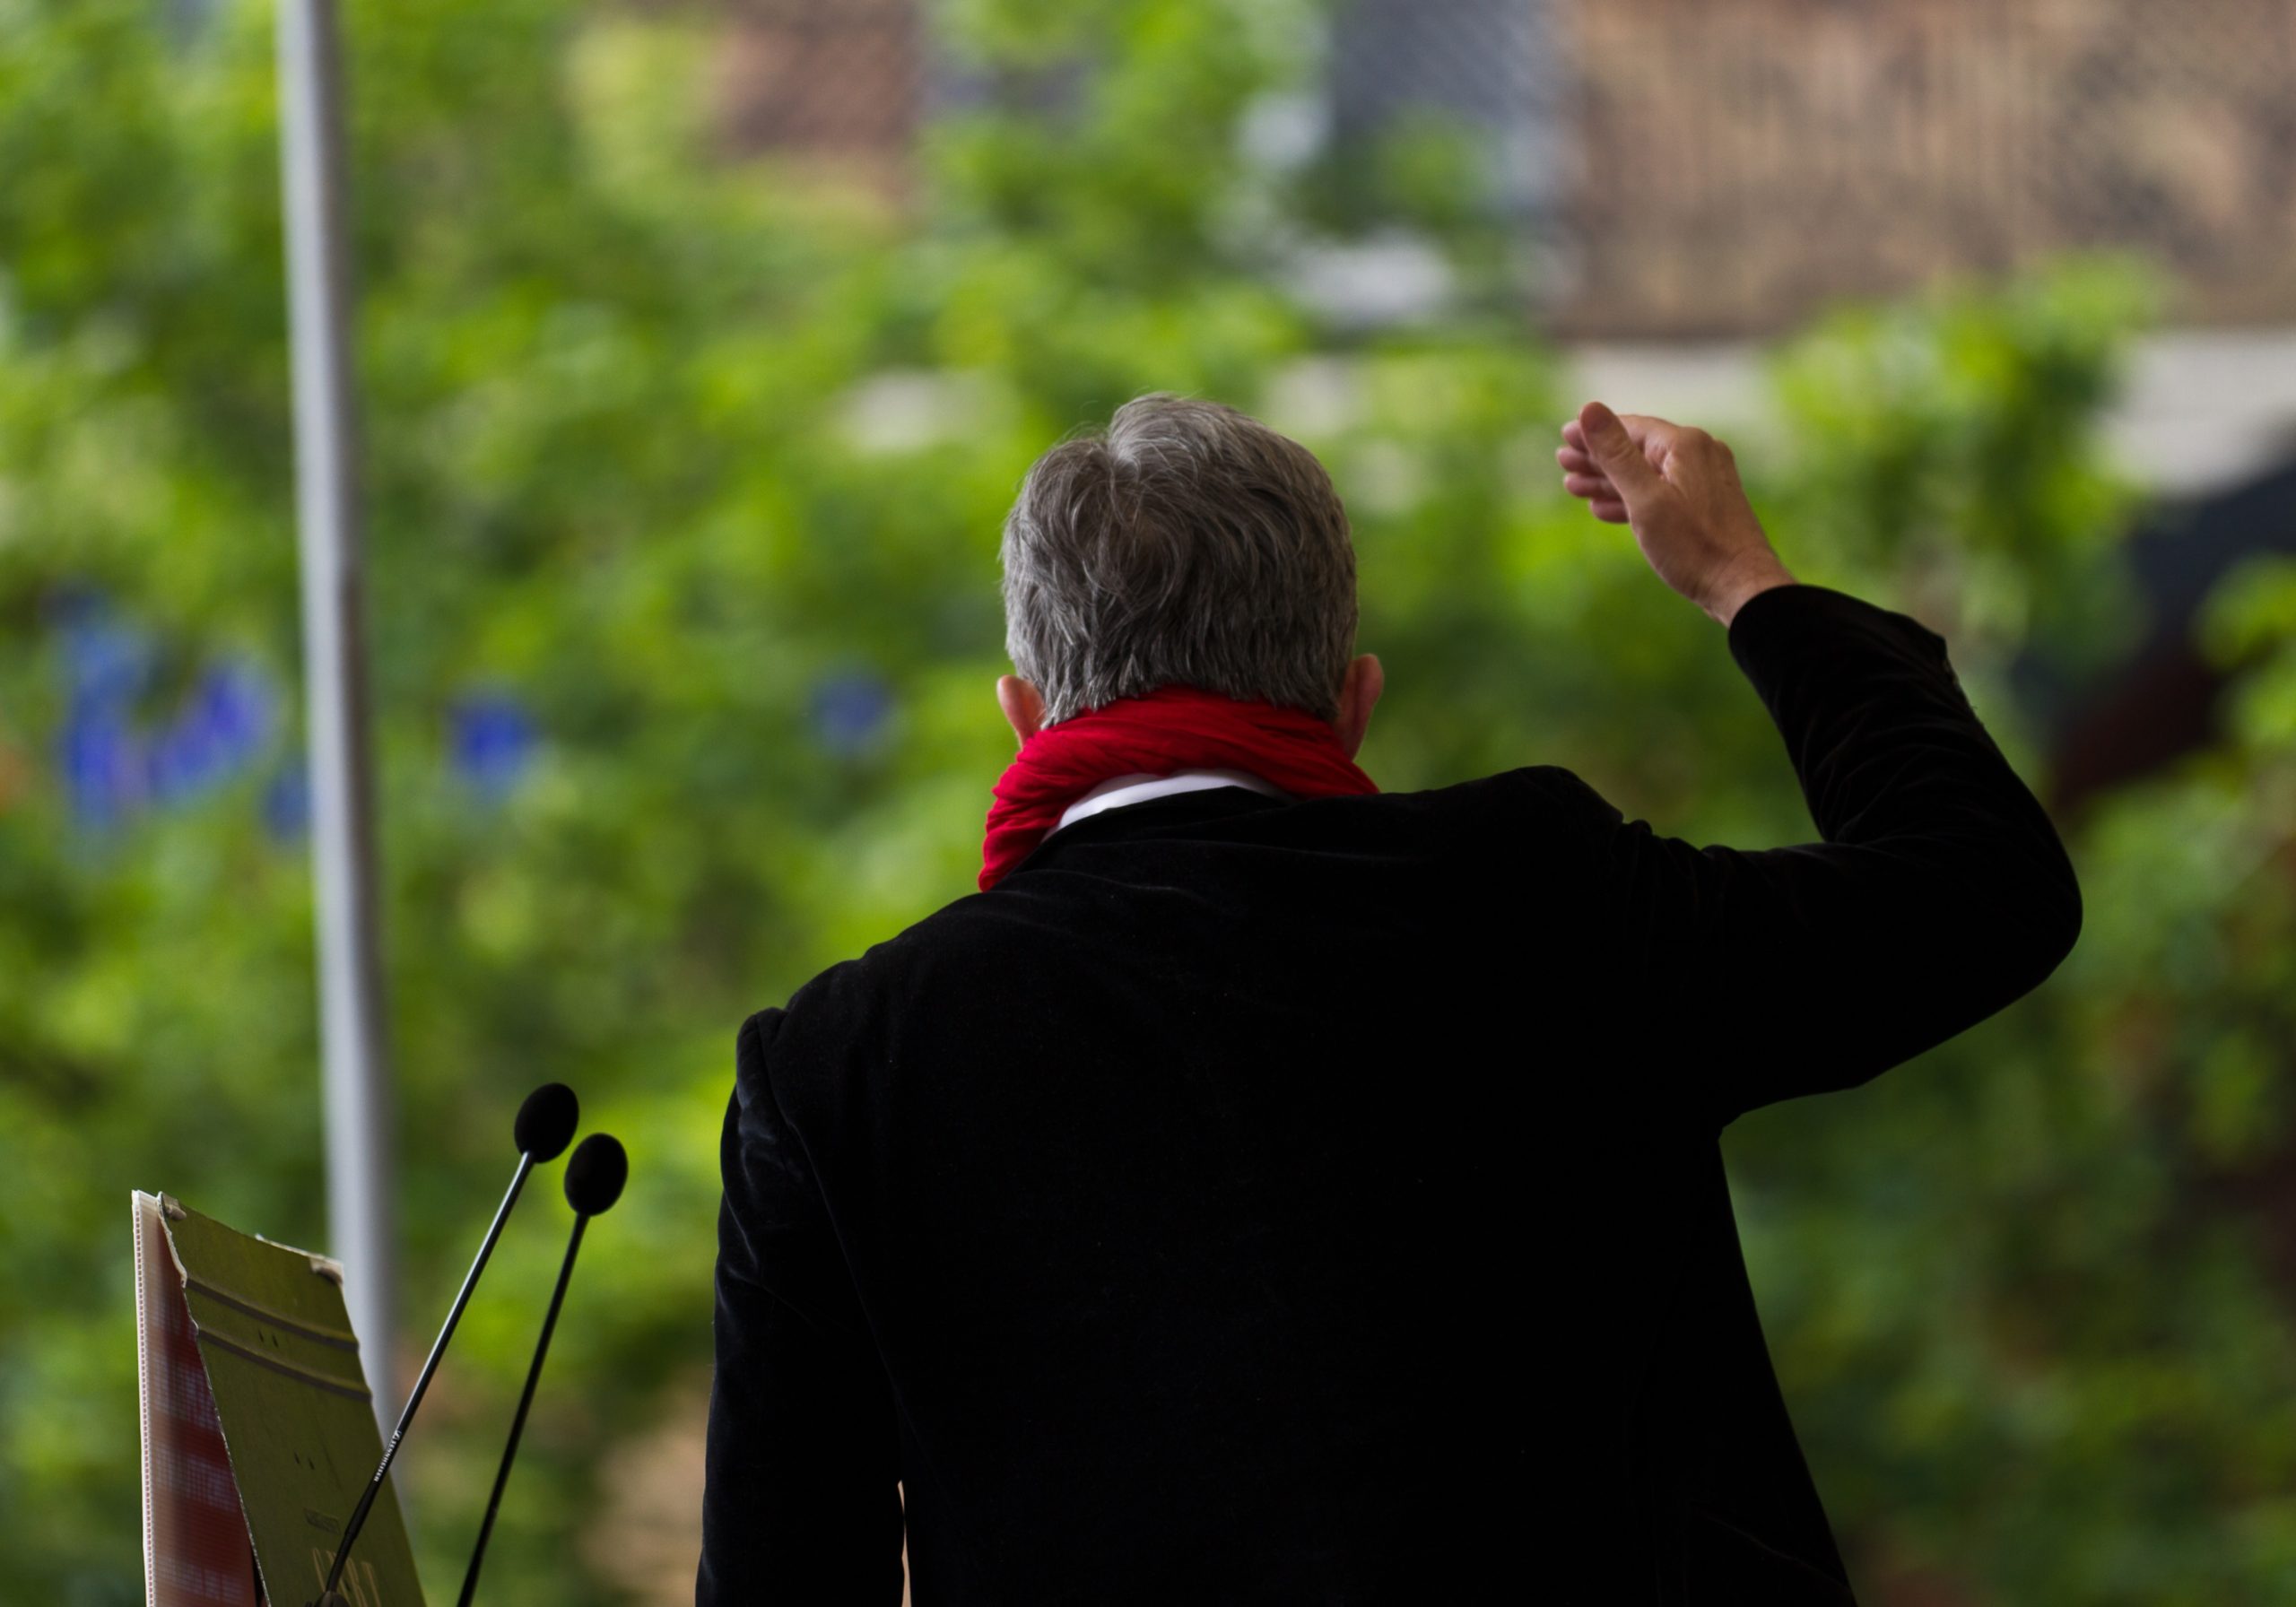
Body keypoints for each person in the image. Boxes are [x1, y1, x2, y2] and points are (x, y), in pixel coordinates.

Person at [698, 395, 2082, 1604]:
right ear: (1351, 704)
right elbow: (1979, 891)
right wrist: (1744, 580)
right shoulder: (1542, 903)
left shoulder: (839, 1068)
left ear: (1023, 714)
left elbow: (782, 1576)